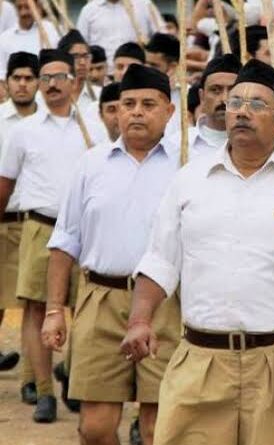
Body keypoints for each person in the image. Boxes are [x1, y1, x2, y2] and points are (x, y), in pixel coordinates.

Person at [119, 59, 274, 445]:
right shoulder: (190, 179)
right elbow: (160, 261)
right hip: (202, 357)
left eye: (256, 105)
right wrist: (139, 320)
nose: (241, 112)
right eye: (235, 103)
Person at [42, 63, 180, 445]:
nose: (136, 112)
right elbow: (65, 240)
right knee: (95, 428)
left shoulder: (186, 165)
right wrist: (54, 311)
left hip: (167, 305)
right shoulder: (91, 164)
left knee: (157, 427)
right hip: (100, 299)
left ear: (169, 111)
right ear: (116, 110)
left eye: (149, 104)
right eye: (128, 104)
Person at [0, 49, 104, 423]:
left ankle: (72, 373)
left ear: (75, 82)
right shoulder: (23, 131)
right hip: (39, 227)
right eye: (45, 78)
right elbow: (5, 183)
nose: (51, 84)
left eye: (59, 77)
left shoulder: (93, 126)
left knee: (84, 307)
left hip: (85, 230)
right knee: (36, 307)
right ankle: (44, 391)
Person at [0, 53, 40, 402]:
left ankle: (32, 378)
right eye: (17, 78)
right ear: (7, 82)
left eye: (29, 78)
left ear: (38, 82)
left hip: (34, 223)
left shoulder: (51, 123)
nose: (23, 84)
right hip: (3, 219)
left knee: (32, 304)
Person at [77, 0, 162, 71]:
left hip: (138, 75)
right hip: (103, 77)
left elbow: (162, 40)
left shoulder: (144, 5)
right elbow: (80, 47)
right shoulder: (89, 10)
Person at [182, 53, 241, 157]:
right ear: (202, 97)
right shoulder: (178, 145)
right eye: (215, 90)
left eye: (232, 90)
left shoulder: (260, 145)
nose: (224, 99)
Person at [0, 0, 59, 79]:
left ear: (37, 7)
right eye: (19, 8)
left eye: (27, 7)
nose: (23, 13)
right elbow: (2, 73)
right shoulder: (5, 38)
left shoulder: (50, 30)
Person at [144, 32, 181, 135]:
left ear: (172, 67)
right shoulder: (135, 93)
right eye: (145, 63)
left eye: (153, 65)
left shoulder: (186, 96)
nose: (146, 69)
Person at [57, 29, 102, 109]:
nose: (82, 62)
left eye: (86, 56)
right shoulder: (49, 95)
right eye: (76, 57)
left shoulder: (100, 95)